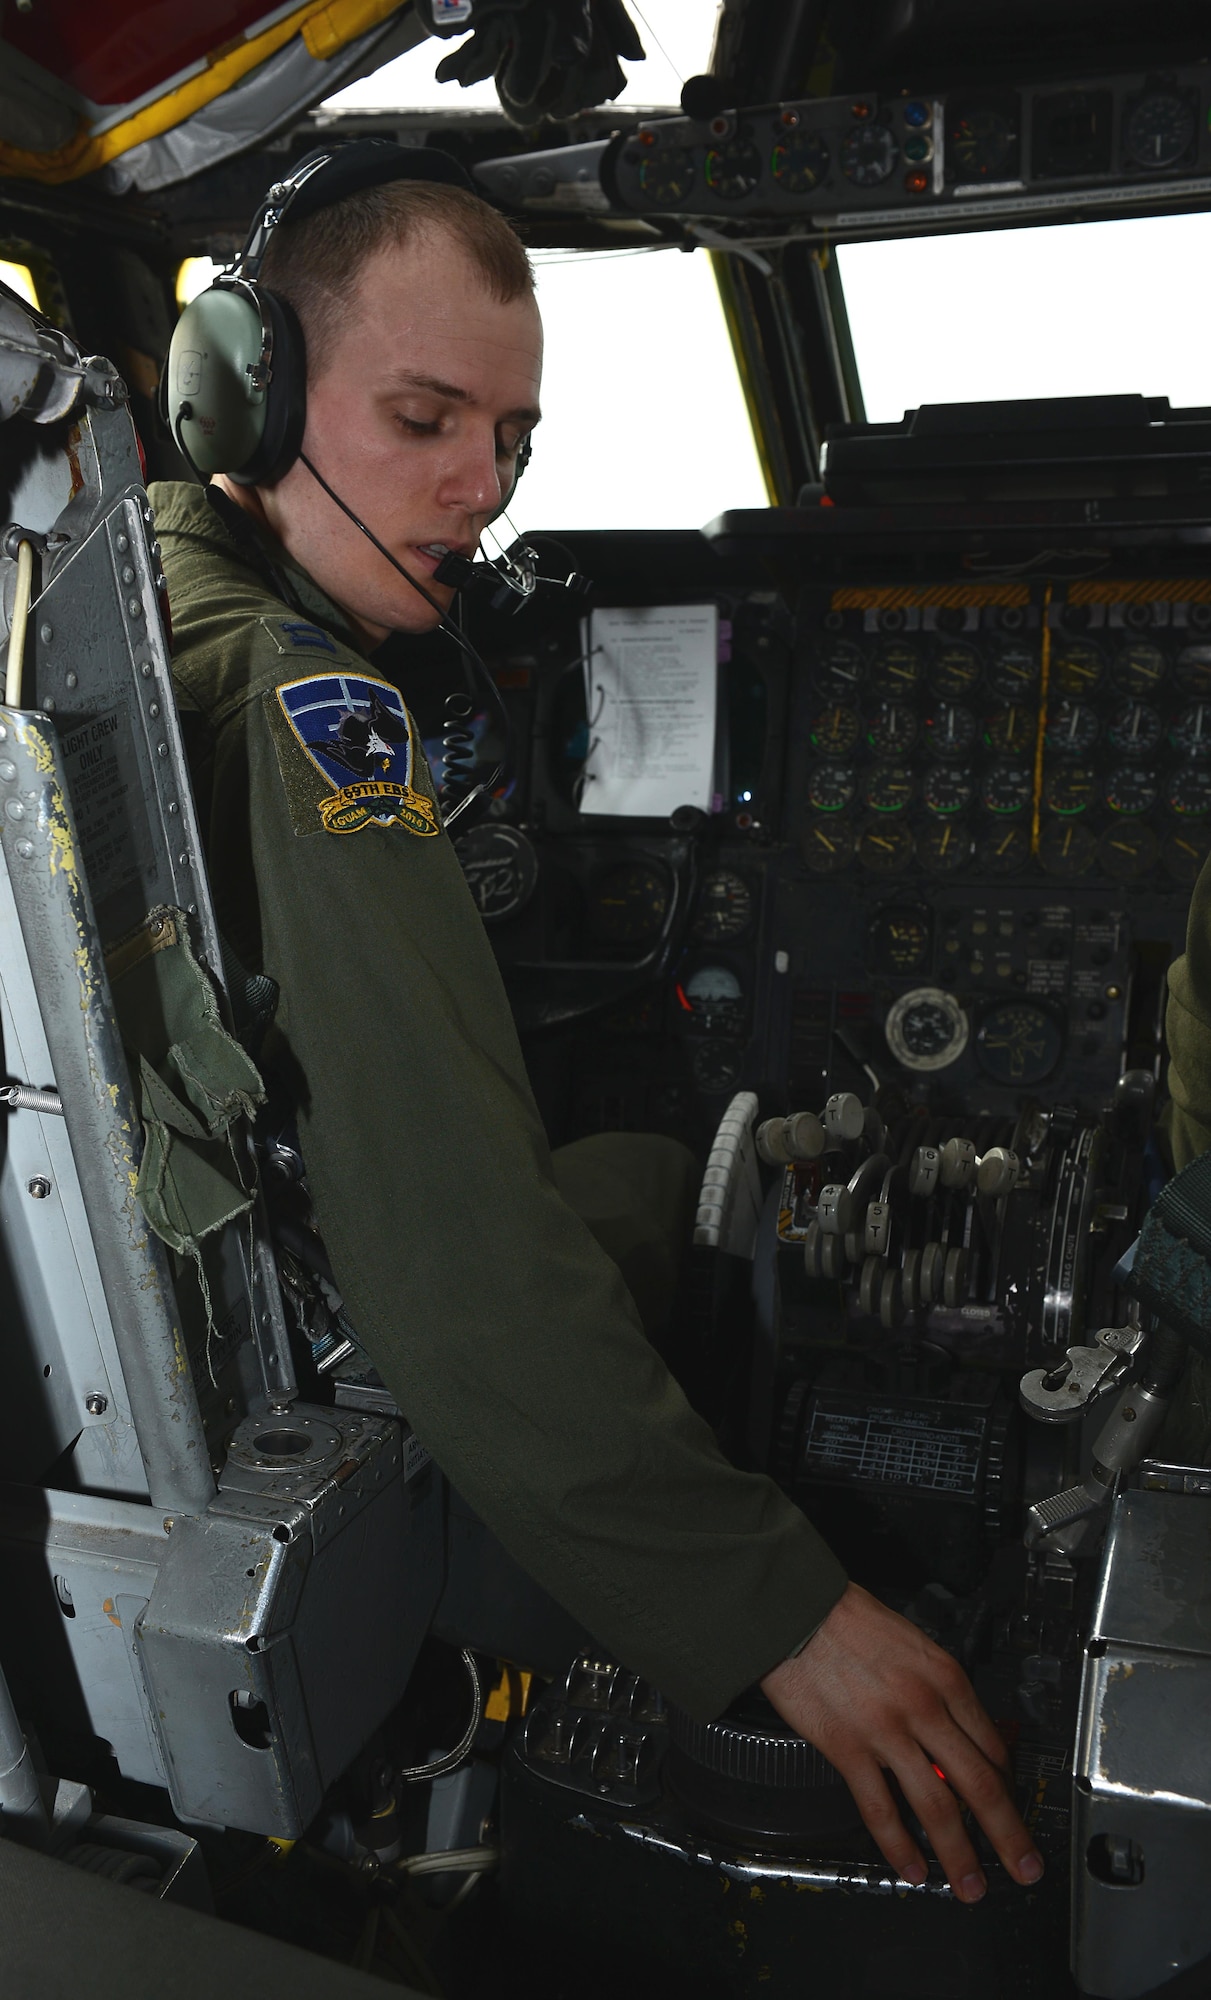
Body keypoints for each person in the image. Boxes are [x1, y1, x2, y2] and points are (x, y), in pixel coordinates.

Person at [151, 142, 1042, 1907]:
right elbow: (463, 1255)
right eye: (422, 420)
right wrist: (775, 1604)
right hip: (317, 1363)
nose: (481, 488)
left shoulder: (116, 601)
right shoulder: (317, 708)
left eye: (513, 438)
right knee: (659, 1183)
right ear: (242, 401)